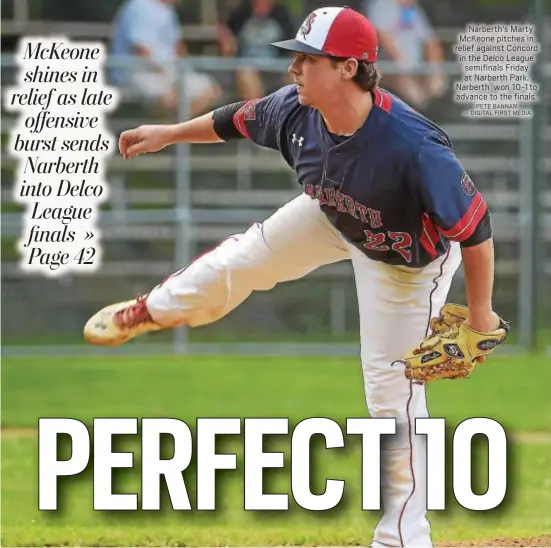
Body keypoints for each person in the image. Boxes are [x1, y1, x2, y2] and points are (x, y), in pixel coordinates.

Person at [85, 6, 504, 547]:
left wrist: (479, 314)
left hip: (406, 262)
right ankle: (153, 310)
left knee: (390, 392)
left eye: (308, 58)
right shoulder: (295, 110)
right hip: (331, 214)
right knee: (243, 257)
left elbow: (475, 228)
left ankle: (402, 538)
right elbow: (232, 120)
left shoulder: (412, 145)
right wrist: (168, 133)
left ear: (348, 68)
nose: (293, 68)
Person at [110, 0, 221, 115]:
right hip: (137, 73)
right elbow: (142, 51)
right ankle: (172, 129)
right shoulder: (139, 5)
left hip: (167, 72)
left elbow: (178, 48)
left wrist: (182, 70)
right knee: (170, 97)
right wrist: (169, 76)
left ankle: (178, 128)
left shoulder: (168, 10)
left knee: (211, 90)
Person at [365, 0, 447, 111]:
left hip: (416, 66)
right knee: (414, 93)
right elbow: (381, 35)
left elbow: (430, 40)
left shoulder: (413, 9)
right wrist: (402, 60)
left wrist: (435, 67)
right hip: (389, 64)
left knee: (437, 85)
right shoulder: (382, 5)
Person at [218, 0, 296, 100]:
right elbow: (227, 35)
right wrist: (227, 40)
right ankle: (259, 113)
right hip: (247, 66)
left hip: (276, 69)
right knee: (246, 75)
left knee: (295, 75)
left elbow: (292, 46)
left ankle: (292, 113)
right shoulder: (240, 13)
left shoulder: (283, 15)